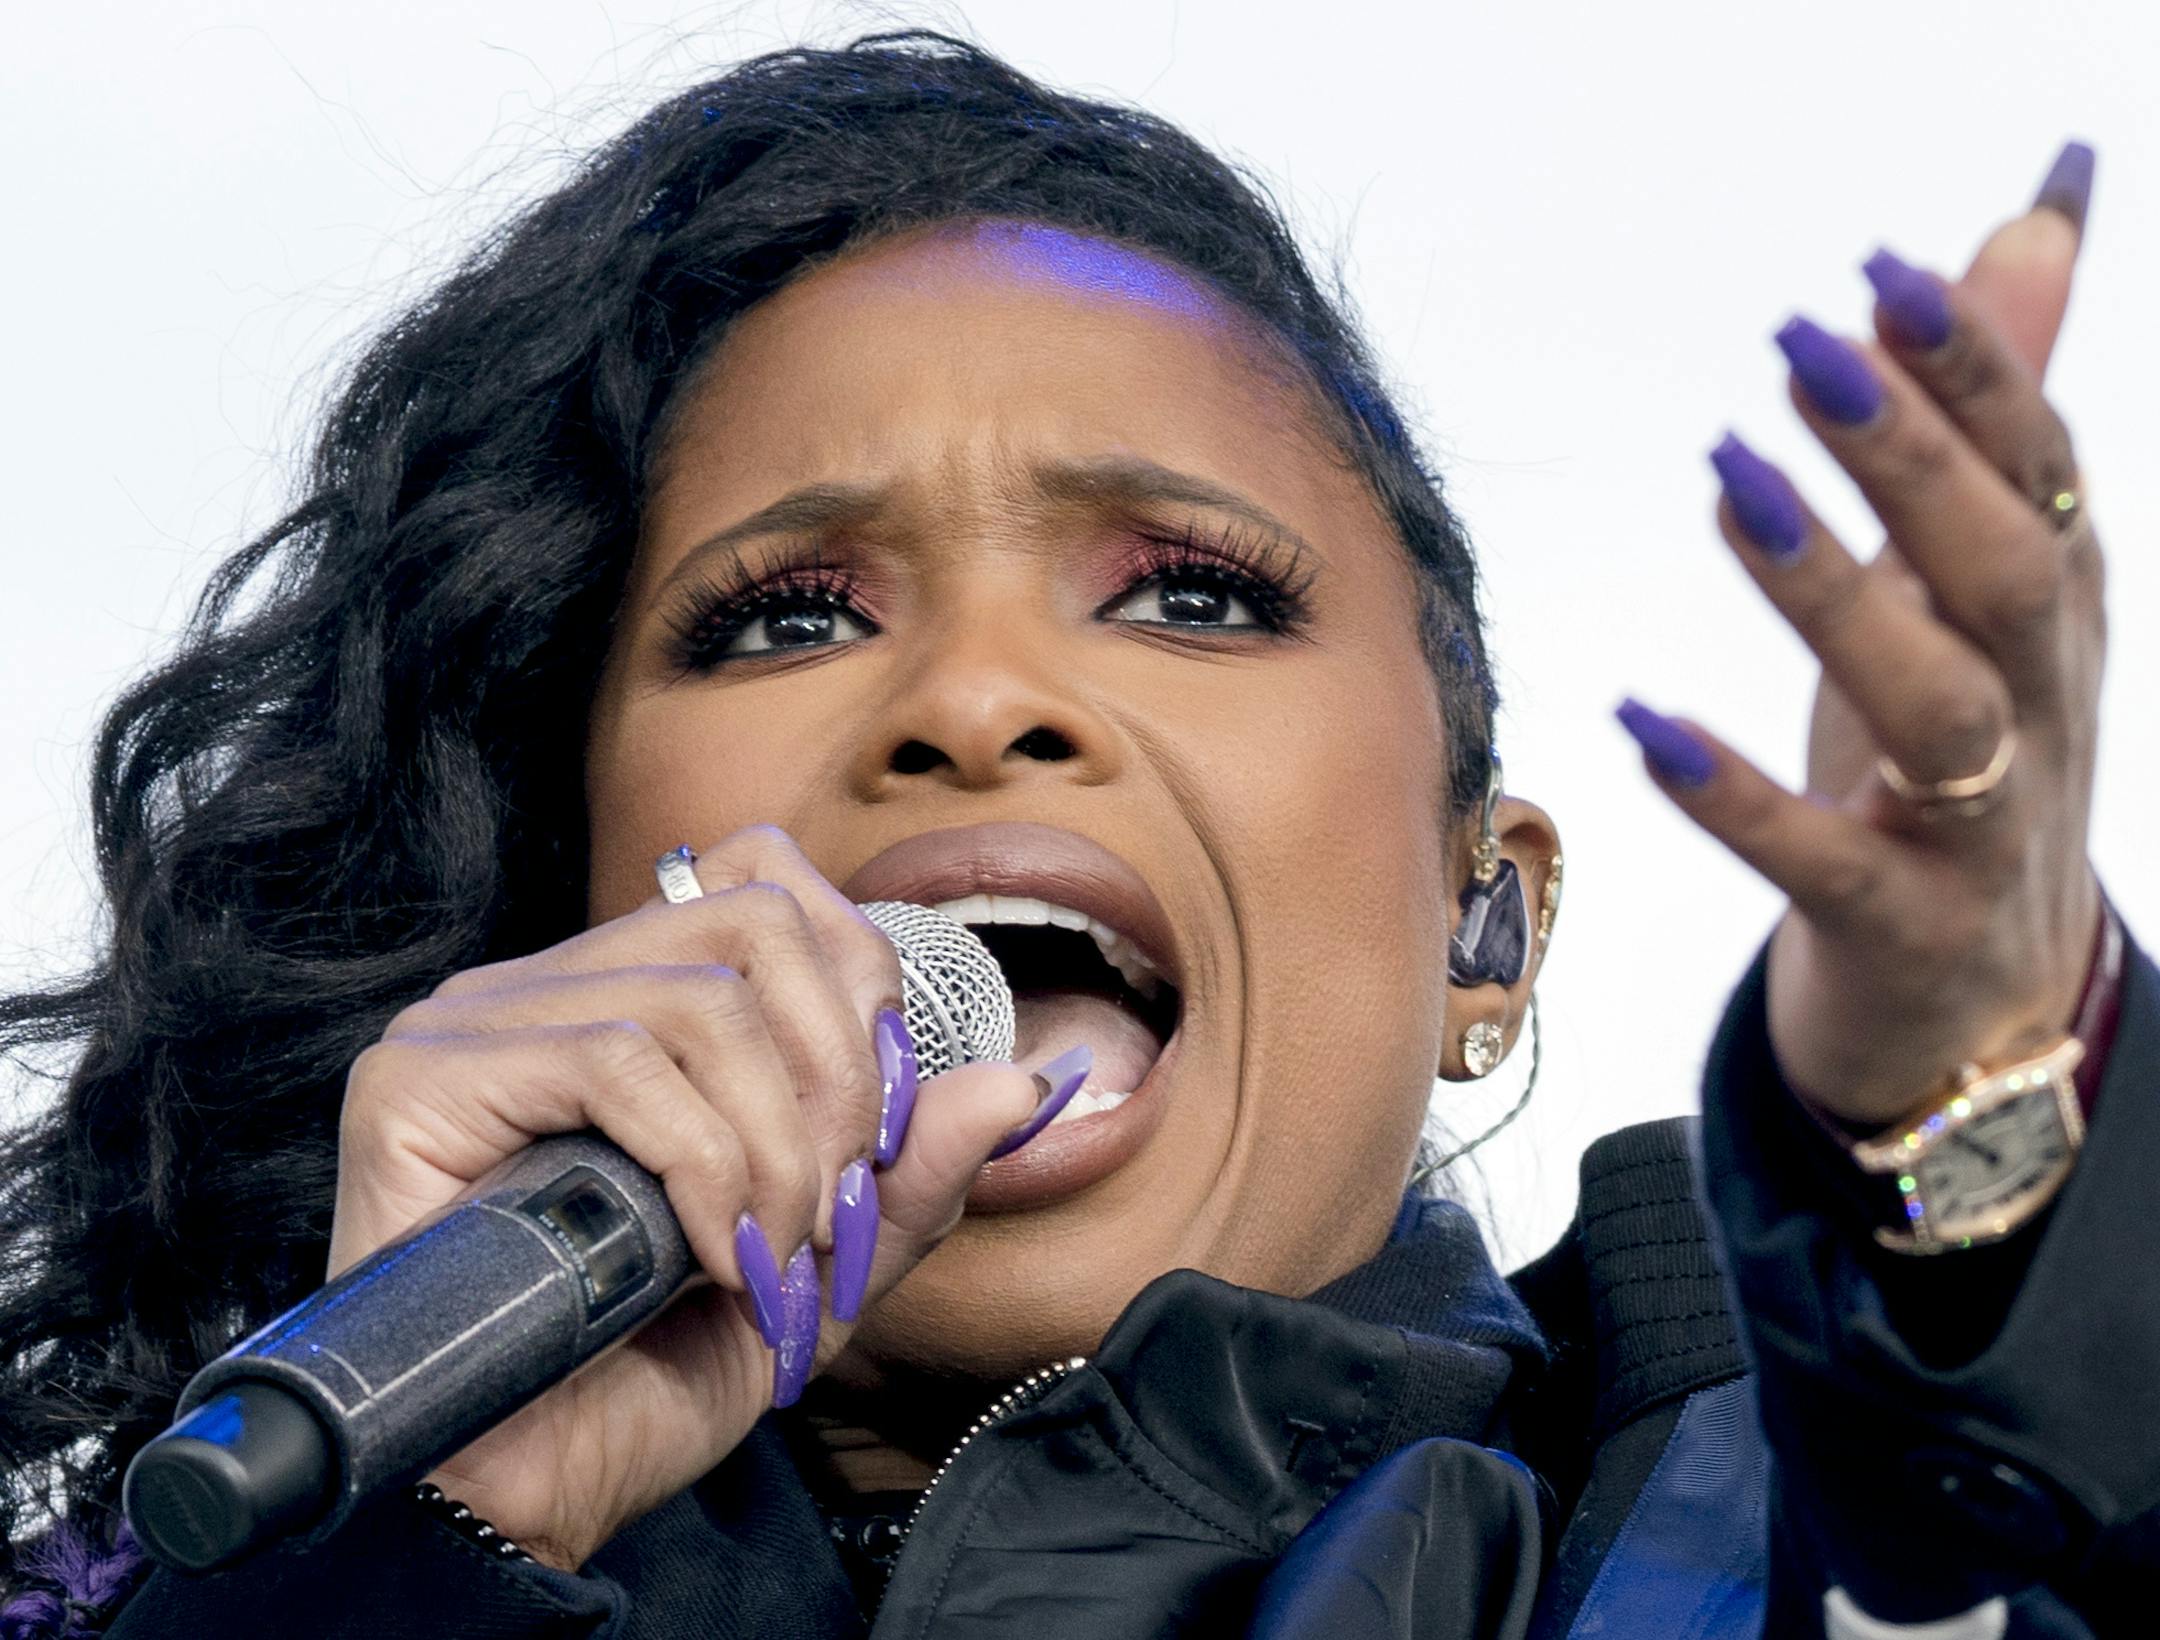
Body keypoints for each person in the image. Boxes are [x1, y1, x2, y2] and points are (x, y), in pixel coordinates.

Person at [0, 29, 2147, 1640]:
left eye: (1194, 590)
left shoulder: (1798, 1545)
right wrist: (397, 1566)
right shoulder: (230, 1571)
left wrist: (1998, 1149)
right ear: (572, 903)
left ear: (1484, 926)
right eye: (786, 614)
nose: (968, 699)